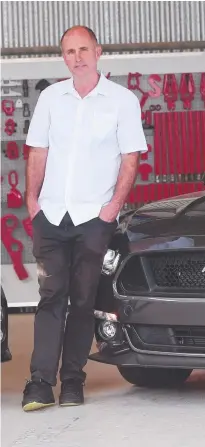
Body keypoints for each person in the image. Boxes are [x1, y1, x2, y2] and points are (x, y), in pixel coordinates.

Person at [22, 25, 147, 411]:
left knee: (82, 299)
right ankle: (40, 384)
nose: (76, 57)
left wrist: (112, 207)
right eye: (69, 52)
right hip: (52, 214)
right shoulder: (50, 98)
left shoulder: (122, 101)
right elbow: (38, 151)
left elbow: (131, 157)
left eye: (83, 50)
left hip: (95, 216)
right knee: (50, 297)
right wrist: (32, 201)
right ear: (64, 57)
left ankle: (73, 381)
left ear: (98, 52)